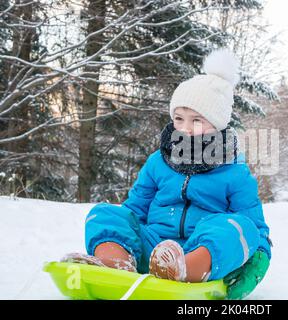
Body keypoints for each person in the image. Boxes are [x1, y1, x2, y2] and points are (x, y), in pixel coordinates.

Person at [63, 49, 272, 299]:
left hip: (204, 254)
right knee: (106, 213)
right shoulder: (158, 162)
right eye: (179, 118)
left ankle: (183, 269)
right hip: (153, 249)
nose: (185, 128)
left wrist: (258, 259)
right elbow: (135, 210)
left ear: (217, 125)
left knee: (241, 227)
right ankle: (115, 264)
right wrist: (125, 234)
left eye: (197, 120)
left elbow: (255, 226)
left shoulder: (234, 171)